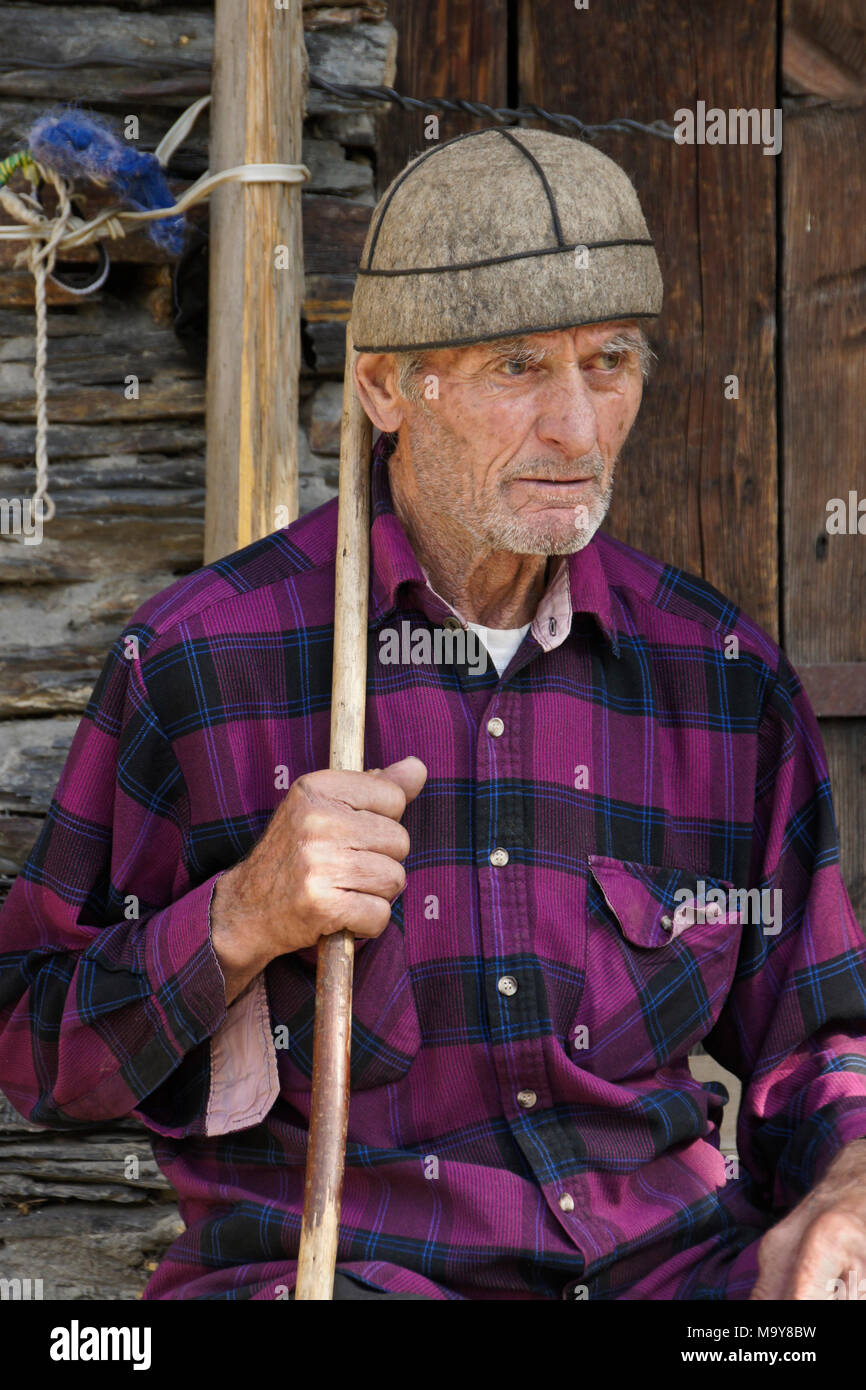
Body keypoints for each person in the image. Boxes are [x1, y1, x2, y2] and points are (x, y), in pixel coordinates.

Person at [1, 128, 865, 1302]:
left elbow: (819, 1036)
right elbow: (34, 1049)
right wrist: (240, 918)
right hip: (348, 1279)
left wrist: (845, 1190)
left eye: (606, 361)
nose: (574, 426)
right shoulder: (207, 664)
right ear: (385, 387)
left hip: (668, 1282)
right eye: (517, 368)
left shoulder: (718, 679)